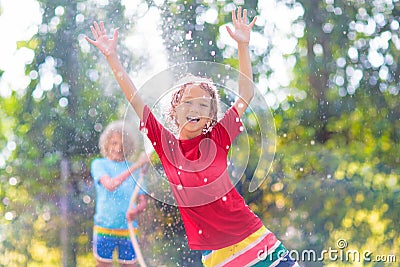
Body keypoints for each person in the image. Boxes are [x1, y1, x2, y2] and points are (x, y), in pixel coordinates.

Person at [86, 7, 298, 267]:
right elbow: (135, 98)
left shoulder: (219, 136)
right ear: (174, 111)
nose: (196, 110)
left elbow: (246, 95)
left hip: (256, 241)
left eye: (203, 105)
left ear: (211, 116)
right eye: (189, 103)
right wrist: (112, 58)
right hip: (218, 257)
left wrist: (243, 46)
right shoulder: (166, 146)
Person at [91, 120, 148, 267]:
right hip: (104, 227)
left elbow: (143, 202)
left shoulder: (136, 171)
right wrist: (137, 165)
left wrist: (136, 211)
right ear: (107, 144)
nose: (118, 148)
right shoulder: (99, 164)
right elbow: (110, 185)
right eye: (114, 143)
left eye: (122, 144)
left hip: (128, 229)